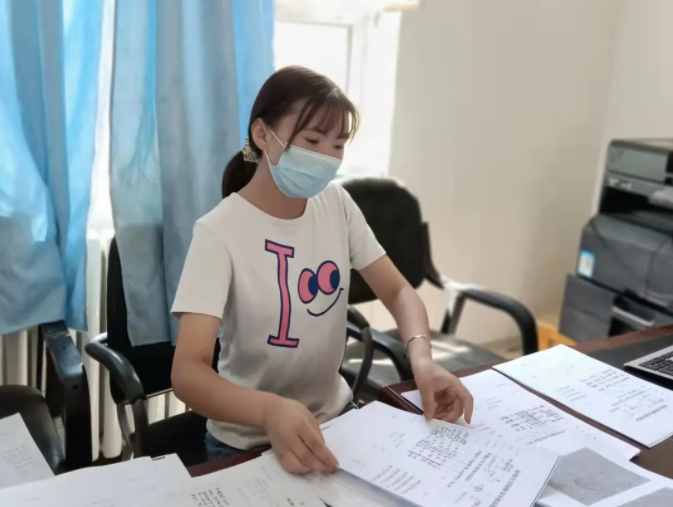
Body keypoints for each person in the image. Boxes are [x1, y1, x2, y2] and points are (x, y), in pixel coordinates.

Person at [170, 66, 474, 475]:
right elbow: (188, 373)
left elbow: (399, 292)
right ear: (262, 134)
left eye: (338, 145)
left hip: (336, 420)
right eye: (312, 141)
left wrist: (422, 361)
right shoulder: (218, 233)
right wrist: (269, 411)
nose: (326, 158)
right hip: (247, 439)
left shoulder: (337, 205)